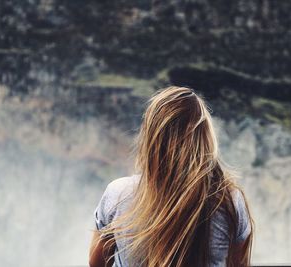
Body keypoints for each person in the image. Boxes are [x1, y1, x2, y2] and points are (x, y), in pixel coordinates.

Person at [89, 86, 254, 267]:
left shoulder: (118, 195)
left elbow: (97, 263)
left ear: (151, 138)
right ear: (204, 138)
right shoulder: (229, 201)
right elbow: (239, 264)